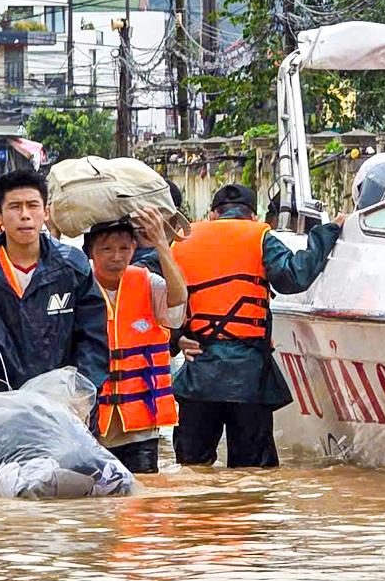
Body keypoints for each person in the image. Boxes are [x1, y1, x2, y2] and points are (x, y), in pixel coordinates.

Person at [170, 183, 343, 467]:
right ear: (253, 216)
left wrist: (176, 339)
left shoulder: (183, 241)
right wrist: (327, 232)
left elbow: (162, 298)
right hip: (249, 378)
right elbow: (294, 277)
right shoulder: (260, 237)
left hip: (198, 375)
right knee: (253, 473)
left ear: (213, 215)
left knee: (191, 468)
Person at [0, 170, 109, 402]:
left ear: (46, 212)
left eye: (32, 205)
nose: (25, 215)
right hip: (2, 406)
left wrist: (82, 394)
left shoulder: (72, 267)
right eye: (15, 207)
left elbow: (93, 336)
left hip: (66, 406)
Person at [84, 209, 187, 473]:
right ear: (91, 252)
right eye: (106, 249)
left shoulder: (147, 282)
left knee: (142, 507)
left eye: (123, 248)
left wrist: (162, 244)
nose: (116, 257)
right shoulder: (78, 287)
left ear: (134, 248)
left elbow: (178, 300)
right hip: (91, 427)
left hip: (140, 428)